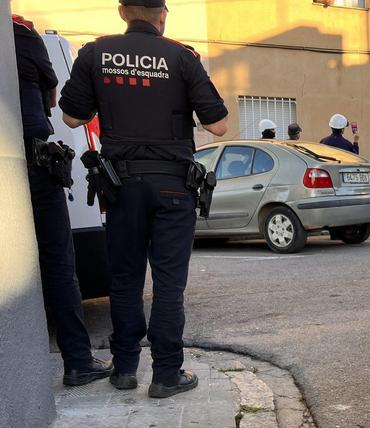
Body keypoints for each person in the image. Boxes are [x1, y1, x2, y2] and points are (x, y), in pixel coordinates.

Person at [59, 0, 229, 398]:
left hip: (122, 185)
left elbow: (70, 117)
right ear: (163, 15)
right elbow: (218, 126)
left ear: (122, 12)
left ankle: (124, 368)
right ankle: (167, 374)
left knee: (124, 279)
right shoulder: (181, 56)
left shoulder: (96, 53)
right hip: (173, 186)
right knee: (169, 283)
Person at [13, 14, 113, 386]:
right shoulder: (21, 32)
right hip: (33, 159)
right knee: (57, 259)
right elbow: (52, 97)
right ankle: (77, 360)